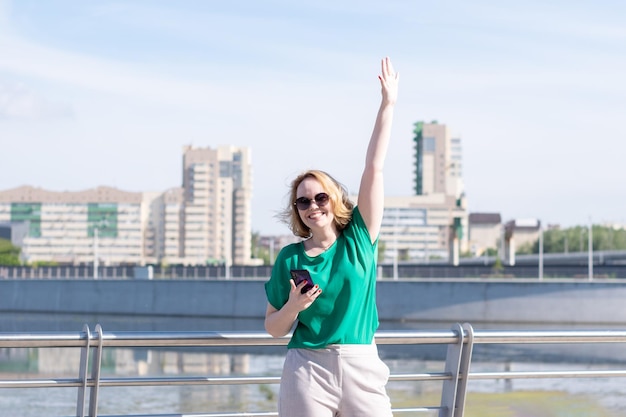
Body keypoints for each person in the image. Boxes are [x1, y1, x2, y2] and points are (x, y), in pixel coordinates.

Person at [264, 57, 399, 417]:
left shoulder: (359, 236)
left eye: (321, 197)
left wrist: (387, 104)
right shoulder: (290, 258)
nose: (313, 206)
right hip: (307, 367)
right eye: (304, 201)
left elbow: (374, 166)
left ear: (335, 199)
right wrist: (294, 306)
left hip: (361, 364)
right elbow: (273, 327)